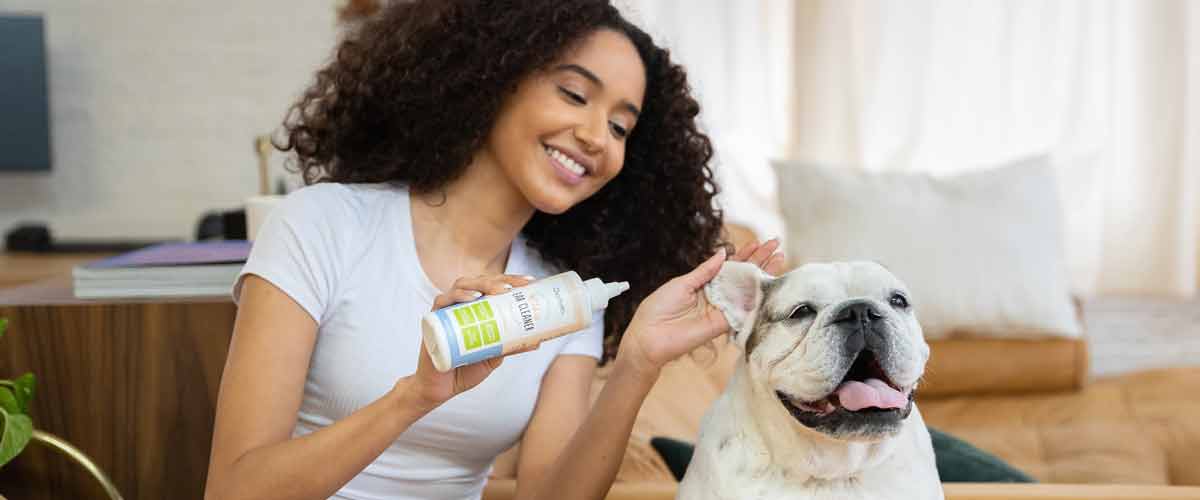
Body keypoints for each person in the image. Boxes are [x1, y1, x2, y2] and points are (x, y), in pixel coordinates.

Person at [203, 1, 784, 499]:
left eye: (620, 128)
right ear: (494, 75)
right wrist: (415, 397)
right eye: (574, 93)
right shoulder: (322, 225)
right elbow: (233, 489)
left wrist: (637, 365)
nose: (595, 137)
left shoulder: (563, 296)